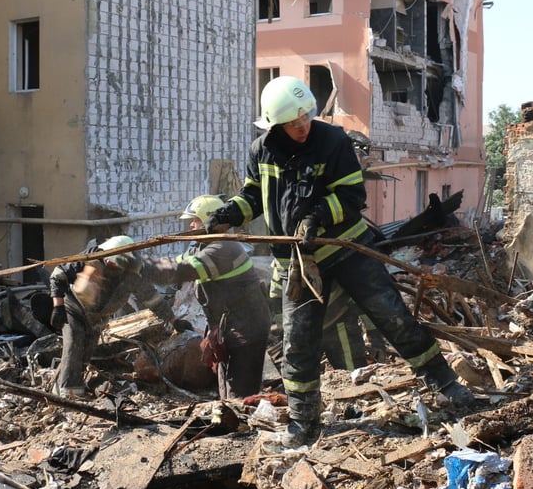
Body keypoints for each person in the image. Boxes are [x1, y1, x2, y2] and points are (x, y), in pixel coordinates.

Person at [204, 75, 476, 448]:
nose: (302, 127)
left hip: (345, 249)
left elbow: (352, 196)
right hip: (297, 264)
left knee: (393, 316)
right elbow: (254, 195)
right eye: (292, 123)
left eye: (305, 118)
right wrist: (230, 213)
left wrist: (318, 216)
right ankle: (304, 425)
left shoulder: (333, 141)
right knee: (297, 343)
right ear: (273, 124)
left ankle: (447, 385)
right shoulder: (260, 151)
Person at [141, 195, 271, 399]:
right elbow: (176, 261)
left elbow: (179, 270)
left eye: (195, 220)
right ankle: (232, 416)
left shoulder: (224, 248)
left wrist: (139, 266)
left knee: (240, 393)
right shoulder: (201, 247)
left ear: (210, 220)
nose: (192, 226)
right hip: (226, 326)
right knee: (225, 388)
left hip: (246, 329)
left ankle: (244, 426)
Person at [48, 235, 193, 398]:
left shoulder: (133, 272)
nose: (110, 264)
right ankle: (68, 392)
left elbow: (151, 298)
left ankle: (73, 386)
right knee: (74, 343)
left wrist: (174, 321)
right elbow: (57, 275)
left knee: (86, 351)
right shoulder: (90, 257)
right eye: (110, 261)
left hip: (98, 317)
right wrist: (58, 307)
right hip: (74, 308)